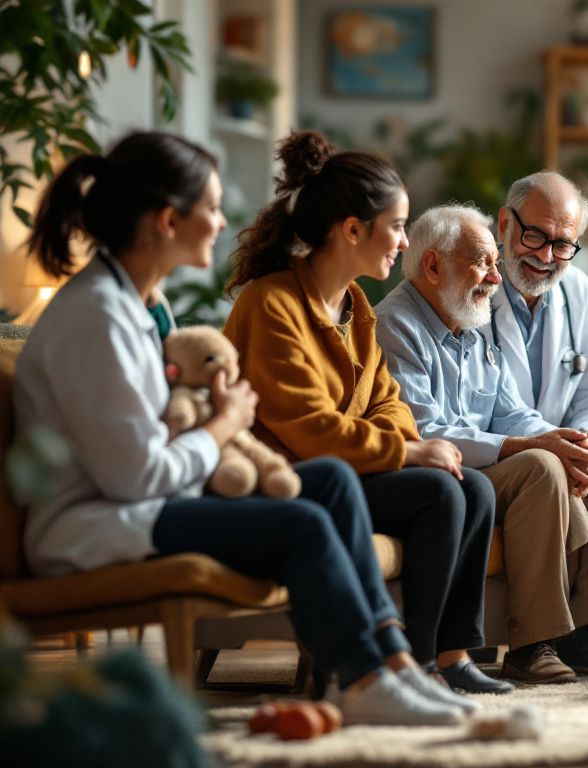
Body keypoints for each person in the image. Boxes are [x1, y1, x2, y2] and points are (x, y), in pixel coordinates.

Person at [14, 131, 462, 725]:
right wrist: (222, 427)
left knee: (328, 480)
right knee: (301, 522)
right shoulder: (97, 317)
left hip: (144, 502)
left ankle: (393, 664)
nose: (225, 221)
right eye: (213, 207)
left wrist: (209, 420)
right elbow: (135, 475)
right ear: (169, 220)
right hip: (99, 523)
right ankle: (361, 679)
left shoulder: (140, 305)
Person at [222, 132, 507, 696]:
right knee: (440, 491)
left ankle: (451, 657)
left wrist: (409, 444)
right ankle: (414, 666)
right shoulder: (272, 304)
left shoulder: (355, 306)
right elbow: (305, 425)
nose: (404, 242)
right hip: (288, 479)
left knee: (473, 487)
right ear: (352, 230)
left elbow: (385, 402)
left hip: (350, 472)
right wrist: (406, 450)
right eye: (397, 226)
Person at [376, 203, 588, 684]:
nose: (495, 279)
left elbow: (509, 409)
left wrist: (558, 438)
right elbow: (421, 431)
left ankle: (585, 633)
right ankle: (530, 645)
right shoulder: (395, 325)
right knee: (540, 466)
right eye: (482, 262)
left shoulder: (472, 327)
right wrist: (527, 447)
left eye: (493, 265)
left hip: (484, 469)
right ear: (434, 265)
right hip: (439, 474)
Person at [489, 171, 588, 504]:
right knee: (546, 467)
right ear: (504, 223)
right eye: (535, 236)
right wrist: (551, 444)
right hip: (501, 457)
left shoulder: (576, 288)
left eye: (562, 244)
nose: (546, 258)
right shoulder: (473, 287)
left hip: (561, 456)